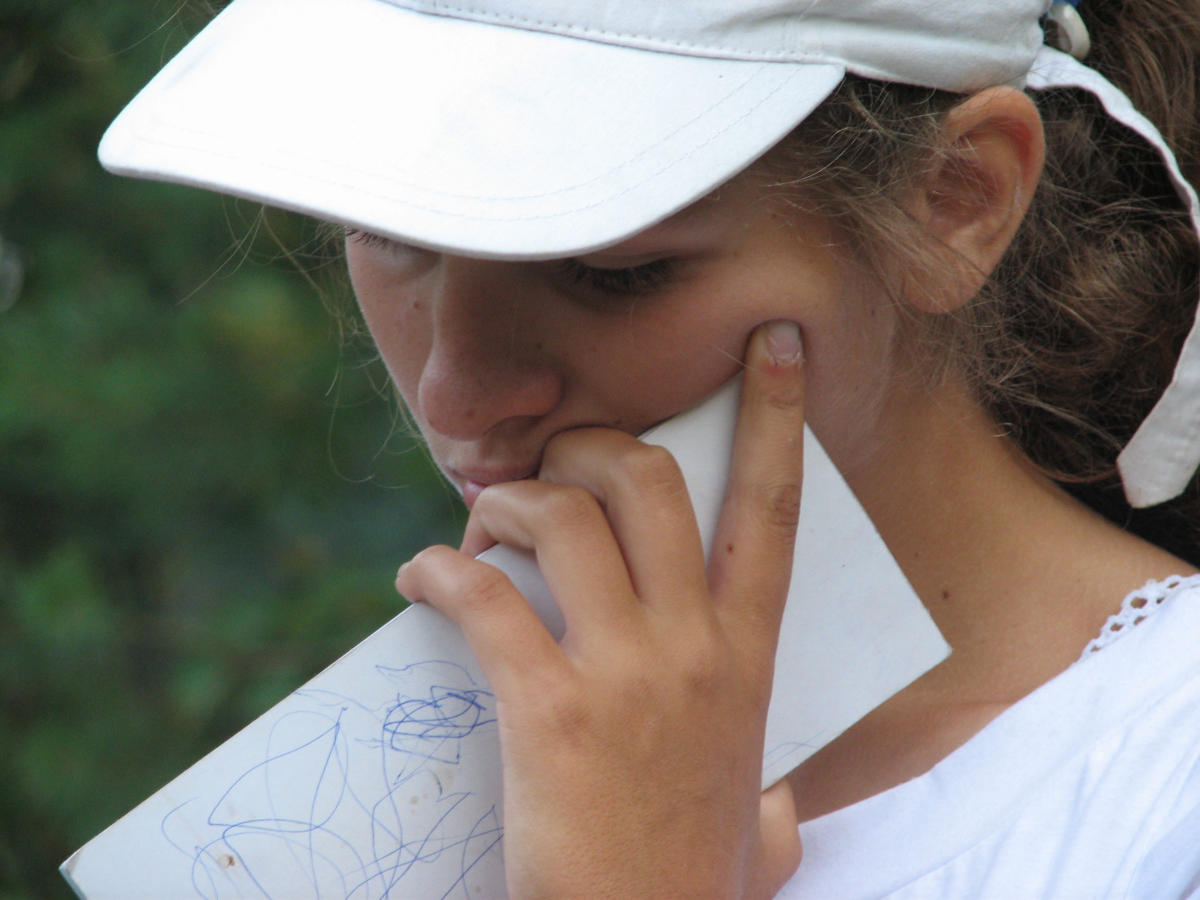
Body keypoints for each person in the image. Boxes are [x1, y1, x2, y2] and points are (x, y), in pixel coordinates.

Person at [99, 0, 1200, 896]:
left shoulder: (1160, 794)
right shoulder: (374, 808)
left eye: (612, 273)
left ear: (957, 201)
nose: (456, 394)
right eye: (387, 233)